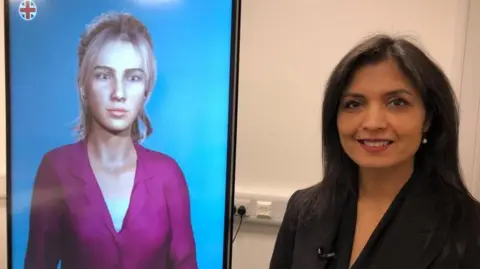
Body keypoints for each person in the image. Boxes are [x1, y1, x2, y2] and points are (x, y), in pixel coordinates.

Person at [269, 34, 480, 269]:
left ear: (428, 118)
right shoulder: (304, 209)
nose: (373, 123)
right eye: (354, 104)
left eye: (397, 102)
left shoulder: (468, 226)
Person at [24, 12, 198, 269]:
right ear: (84, 85)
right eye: (104, 76)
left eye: (133, 77)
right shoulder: (55, 168)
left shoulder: (168, 175)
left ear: (146, 90)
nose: (119, 93)